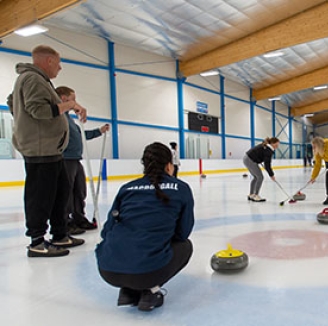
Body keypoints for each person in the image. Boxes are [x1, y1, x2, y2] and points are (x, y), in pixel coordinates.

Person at [96, 142, 194, 312]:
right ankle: (150, 291)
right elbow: (182, 233)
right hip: (147, 272)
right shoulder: (181, 188)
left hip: (108, 269)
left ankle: (128, 290)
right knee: (185, 247)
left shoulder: (126, 188)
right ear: (169, 166)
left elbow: (107, 230)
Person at [8, 45, 86, 257]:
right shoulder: (32, 79)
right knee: (40, 196)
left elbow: (12, 102)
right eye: (58, 63)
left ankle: (60, 234)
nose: (59, 68)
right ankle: (37, 241)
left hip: (51, 149)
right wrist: (68, 105)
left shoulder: (39, 80)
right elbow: (39, 110)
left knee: (60, 194)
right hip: (40, 149)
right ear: (49, 61)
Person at [55, 86, 110, 234]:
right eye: (72, 99)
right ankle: (65, 221)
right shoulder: (58, 116)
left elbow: (82, 136)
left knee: (79, 190)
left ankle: (79, 218)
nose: (75, 103)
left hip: (75, 159)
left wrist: (99, 131)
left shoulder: (70, 119)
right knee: (66, 193)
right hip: (65, 158)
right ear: (63, 98)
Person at [243, 137, 280, 202]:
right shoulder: (268, 150)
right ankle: (256, 195)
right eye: (276, 145)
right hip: (250, 160)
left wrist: (258, 159)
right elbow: (267, 164)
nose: (277, 147)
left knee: (255, 177)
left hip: (246, 158)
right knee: (260, 177)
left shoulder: (265, 146)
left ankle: (251, 194)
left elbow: (259, 154)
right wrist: (271, 175)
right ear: (272, 143)